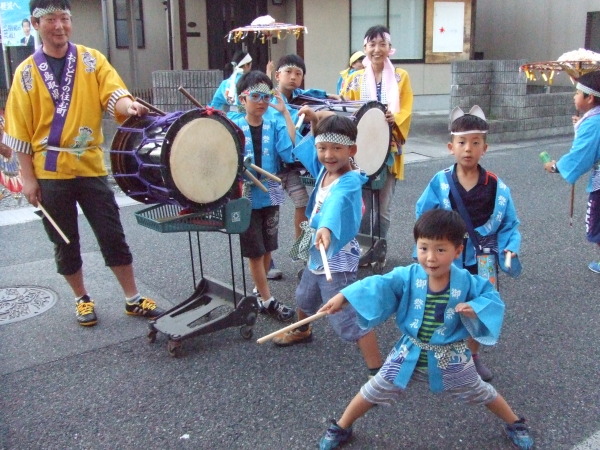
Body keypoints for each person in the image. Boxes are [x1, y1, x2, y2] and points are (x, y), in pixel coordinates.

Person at [2, 0, 164, 327]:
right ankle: (81, 299)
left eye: (64, 18)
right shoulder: (26, 73)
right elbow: (19, 131)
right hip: (49, 170)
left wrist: (128, 105)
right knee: (64, 239)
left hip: (89, 165)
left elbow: (114, 93)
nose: (59, 25)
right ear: (35, 24)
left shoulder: (91, 60)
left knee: (112, 233)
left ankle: (132, 298)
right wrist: (28, 178)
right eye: (51, 19)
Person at [316, 209, 534, 450]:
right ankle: (342, 426)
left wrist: (475, 307)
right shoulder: (407, 276)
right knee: (374, 389)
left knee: (479, 390)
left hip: (450, 354)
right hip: (409, 351)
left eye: (440, 249)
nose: (430, 257)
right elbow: (377, 284)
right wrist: (344, 296)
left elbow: (492, 300)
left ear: (458, 250)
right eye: (423, 248)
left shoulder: (467, 282)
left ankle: (515, 423)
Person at [271, 113, 383, 377]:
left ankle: (378, 369)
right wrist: (310, 122)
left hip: (336, 257)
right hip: (317, 251)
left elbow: (335, 205)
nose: (328, 155)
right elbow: (307, 149)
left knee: (345, 317)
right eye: (322, 148)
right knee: (304, 296)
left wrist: (326, 227)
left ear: (352, 150)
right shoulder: (324, 169)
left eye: (336, 148)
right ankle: (302, 329)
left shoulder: (350, 181)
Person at [415, 106, 522, 382]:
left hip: (483, 257)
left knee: (478, 304)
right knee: (439, 302)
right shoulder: (440, 182)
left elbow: (509, 223)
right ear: (451, 146)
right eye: (462, 142)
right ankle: (434, 350)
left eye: (476, 143)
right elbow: (424, 215)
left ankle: (472, 356)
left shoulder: (496, 186)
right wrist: (428, 249)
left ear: (485, 148)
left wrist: (510, 247)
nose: (468, 149)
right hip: (448, 255)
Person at [341, 25, 413, 264]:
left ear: (389, 48)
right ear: (365, 48)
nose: (377, 49)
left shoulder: (401, 76)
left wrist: (396, 118)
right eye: (372, 44)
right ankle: (361, 249)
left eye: (382, 44)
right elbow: (346, 110)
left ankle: (379, 250)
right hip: (361, 152)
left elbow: (406, 109)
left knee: (382, 207)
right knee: (362, 206)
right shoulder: (354, 79)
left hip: (389, 151)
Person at [229, 70, 297, 322]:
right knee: (255, 250)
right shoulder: (232, 123)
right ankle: (267, 300)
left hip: (273, 190)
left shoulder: (275, 122)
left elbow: (291, 151)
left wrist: (284, 112)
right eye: (255, 95)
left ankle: (260, 291)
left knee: (269, 245)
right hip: (244, 196)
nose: (261, 101)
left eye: (266, 96)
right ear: (242, 99)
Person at [267, 54, 342, 279]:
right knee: (271, 212)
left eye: (298, 73)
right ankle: (266, 260)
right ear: (277, 75)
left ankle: (301, 252)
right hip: (270, 171)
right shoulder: (270, 100)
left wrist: (329, 95)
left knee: (304, 204)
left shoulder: (299, 96)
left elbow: (314, 94)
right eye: (288, 72)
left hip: (289, 170)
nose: (293, 77)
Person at [543, 70, 600, 272]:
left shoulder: (593, 122)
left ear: (590, 97)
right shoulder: (593, 119)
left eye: (577, 93)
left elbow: (581, 156)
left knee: (597, 220)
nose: (574, 96)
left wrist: (556, 166)